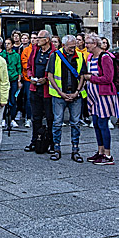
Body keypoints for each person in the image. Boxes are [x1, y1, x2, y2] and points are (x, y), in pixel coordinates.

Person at [47, 35, 86, 163]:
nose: (73, 49)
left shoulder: (79, 56)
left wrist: (77, 92)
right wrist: (60, 92)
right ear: (63, 46)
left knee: (75, 123)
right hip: (59, 95)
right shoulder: (55, 56)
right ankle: (56, 148)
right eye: (70, 47)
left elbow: (82, 75)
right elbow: (50, 76)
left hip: (75, 94)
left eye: (74, 47)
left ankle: (75, 150)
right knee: (57, 122)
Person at [82, 34, 118, 165]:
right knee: (96, 123)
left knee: (103, 124)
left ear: (95, 44)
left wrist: (90, 78)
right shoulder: (91, 57)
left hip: (104, 96)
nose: (86, 45)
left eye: (88, 43)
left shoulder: (105, 58)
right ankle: (100, 151)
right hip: (94, 96)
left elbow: (108, 78)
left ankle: (108, 155)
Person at [25, 29, 54, 153]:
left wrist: (46, 79)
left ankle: (51, 142)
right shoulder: (35, 51)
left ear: (46, 39)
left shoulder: (54, 53)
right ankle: (35, 141)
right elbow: (29, 66)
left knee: (49, 117)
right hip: (35, 87)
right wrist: (31, 76)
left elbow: (55, 70)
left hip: (47, 90)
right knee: (35, 117)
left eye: (39, 38)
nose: (36, 40)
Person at [1, 38, 22, 127]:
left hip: (13, 79)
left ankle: (12, 118)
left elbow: (19, 68)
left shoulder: (16, 55)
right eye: (6, 43)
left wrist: (19, 81)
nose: (7, 45)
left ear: (12, 45)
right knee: (3, 99)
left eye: (9, 43)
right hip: (4, 80)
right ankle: (3, 118)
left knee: (13, 99)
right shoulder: (2, 55)